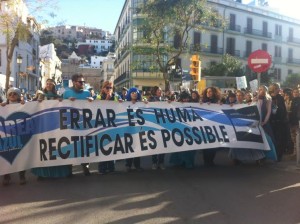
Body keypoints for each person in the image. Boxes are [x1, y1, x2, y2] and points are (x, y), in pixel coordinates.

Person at [31, 79, 72, 180]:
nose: (48, 85)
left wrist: (62, 102)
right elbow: (32, 107)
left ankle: (60, 172)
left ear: (54, 85)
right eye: (47, 83)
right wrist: (37, 102)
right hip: (43, 125)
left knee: (57, 146)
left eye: (50, 84)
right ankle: (42, 173)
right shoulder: (40, 96)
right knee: (44, 147)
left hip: (56, 126)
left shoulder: (58, 97)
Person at [63, 74, 93, 176]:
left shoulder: (87, 93)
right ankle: (69, 168)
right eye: (80, 82)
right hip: (70, 125)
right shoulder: (67, 92)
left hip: (84, 125)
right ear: (74, 82)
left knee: (84, 146)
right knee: (71, 146)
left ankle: (85, 166)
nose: (82, 84)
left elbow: (93, 107)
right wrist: (66, 101)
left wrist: (92, 101)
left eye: (83, 82)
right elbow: (60, 106)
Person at [2, 87, 26, 185]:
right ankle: (6, 177)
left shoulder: (24, 104)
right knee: (6, 155)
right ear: (7, 96)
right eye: (10, 94)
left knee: (21, 155)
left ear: (18, 95)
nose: (12, 95)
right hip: (6, 136)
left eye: (15, 94)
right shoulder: (3, 106)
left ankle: (22, 176)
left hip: (20, 134)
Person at [97, 81, 120, 174]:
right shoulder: (98, 97)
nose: (109, 89)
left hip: (113, 125)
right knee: (102, 147)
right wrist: (106, 100)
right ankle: (102, 168)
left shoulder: (116, 97)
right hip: (102, 126)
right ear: (103, 88)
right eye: (107, 88)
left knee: (112, 146)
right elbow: (97, 110)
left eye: (110, 88)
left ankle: (111, 167)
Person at [201, 87, 222, 166]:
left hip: (214, 125)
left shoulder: (218, 101)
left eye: (210, 91)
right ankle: (206, 160)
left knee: (213, 144)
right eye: (207, 92)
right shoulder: (203, 101)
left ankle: (211, 160)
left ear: (213, 93)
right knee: (206, 144)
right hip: (205, 126)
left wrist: (219, 105)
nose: (208, 93)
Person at [124, 87, 144, 172]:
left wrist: (146, 103)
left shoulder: (141, 103)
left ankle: (137, 165)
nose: (134, 94)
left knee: (137, 147)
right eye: (132, 93)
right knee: (130, 146)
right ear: (129, 94)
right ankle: (128, 164)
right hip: (129, 129)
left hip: (138, 129)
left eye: (136, 92)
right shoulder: (125, 103)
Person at [268, 83, 287, 161]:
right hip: (271, 121)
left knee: (280, 139)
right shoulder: (268, 97)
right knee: (272, 138)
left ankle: (279, 156)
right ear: (274, 89)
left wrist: (284, 116)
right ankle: (273, 155)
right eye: (278, 88)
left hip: (280, 121)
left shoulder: (280, 97)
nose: (280, 89)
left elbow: (283, 108)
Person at [148, 86, 166, 170]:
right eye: (158, 90)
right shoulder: (150, 100)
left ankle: (161, 162)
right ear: (155, 91)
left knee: (163, 145)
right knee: (155, 144)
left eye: (161, 90)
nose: (160, 91)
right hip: (154, 125)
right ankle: (154, 162)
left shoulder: (164, 100)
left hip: (163, 125)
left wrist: (169, 103)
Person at [289, 88, 300, 156]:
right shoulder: (292, 100)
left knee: (298, 138)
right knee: (293, 138)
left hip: (297, 122)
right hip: (292, 122)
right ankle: (295, 152)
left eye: (296, 92)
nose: (295, 93)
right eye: (294, 92)